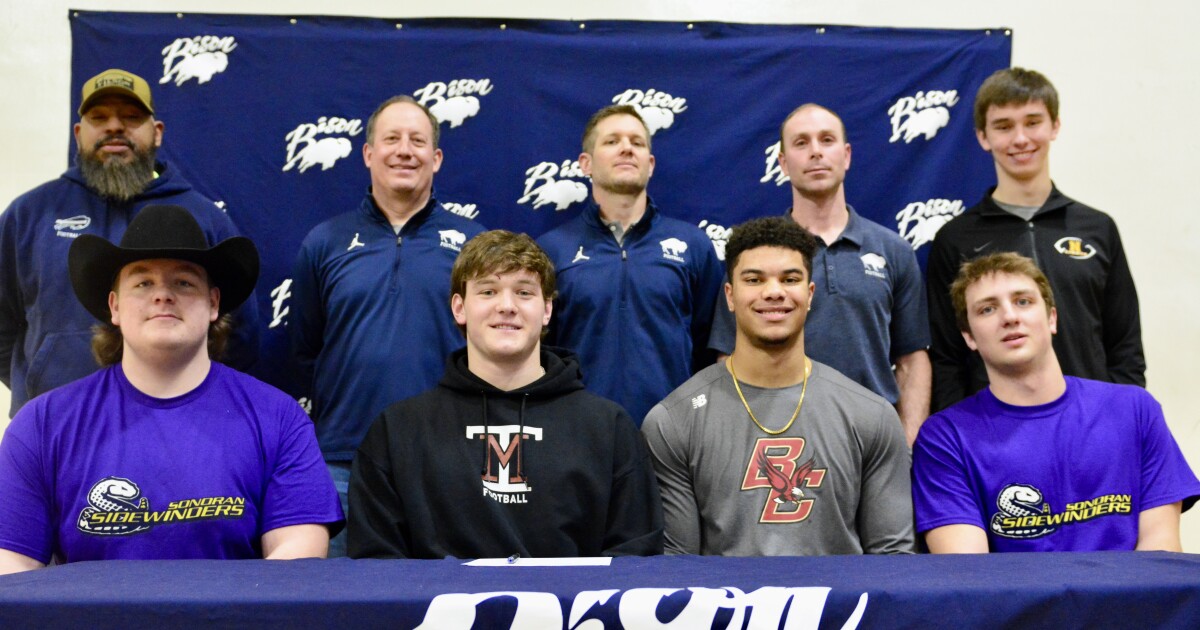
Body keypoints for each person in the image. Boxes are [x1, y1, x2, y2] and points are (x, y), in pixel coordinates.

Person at [0, 205, 342, 574]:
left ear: (213, 304)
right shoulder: (42, 424)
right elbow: (12, 566)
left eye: (183, 282)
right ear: (114, 307)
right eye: (143, 282)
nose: (162, 295)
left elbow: (299, 551)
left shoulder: (278, 417)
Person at [348, 230, 662, 558]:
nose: (507, 306)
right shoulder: (398, 430)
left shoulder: (608, 427)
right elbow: (377, 567)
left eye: (524, 293)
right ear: (459, 308)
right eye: (488, 291)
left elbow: (635, 561)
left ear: (547, 310)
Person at [643, 216, 914, 556]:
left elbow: (893, 563)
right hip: (730, 608)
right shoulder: (673, 421)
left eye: (790, 279)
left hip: (842, 609)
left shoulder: (871, 415)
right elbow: (677, 572)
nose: (773, 292)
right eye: (754, 279)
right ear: (729, 295)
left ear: (810, 293)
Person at [0, 68, 259, 417]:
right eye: (99, 117)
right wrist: (36, 383)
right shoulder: (30, 214)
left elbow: (238, 334)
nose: (114, 127)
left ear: (157, 133)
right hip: (52, 422)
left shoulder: (204, 217)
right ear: (78, 134)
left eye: (132, 117)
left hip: (175, 424)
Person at [289, 96, 484, 555]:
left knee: (447, 613)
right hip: (342, 460)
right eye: (391, 138)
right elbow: (304, 350)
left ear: (435, 159)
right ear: (368, 154)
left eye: (418, 141)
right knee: (337, 610)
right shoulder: (324, 242)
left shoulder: (474, 244)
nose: (404, 150)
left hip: (448, 456)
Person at [913, 253, 1198, 553]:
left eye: (1023, 301)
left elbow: (1160, 551)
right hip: (1015, 602)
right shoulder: (945, 438)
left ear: (1051, 318)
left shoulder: (1135, 411)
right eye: (987, 309)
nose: (1010, 317)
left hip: (1131, 600)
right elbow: (970, 578)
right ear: (969, 337)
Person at [708, 104, 930, 445]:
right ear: (782, 163)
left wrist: (908, 444)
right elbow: (728, 356)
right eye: (801, 143)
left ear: (846, 155)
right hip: (775, 436)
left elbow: (912, 358)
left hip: (871, 440)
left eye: (826, 140)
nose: (815, 152)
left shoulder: (893, 250)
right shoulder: (755, 252)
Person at [926, 67, 1144, 412]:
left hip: (1094, 421)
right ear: (983, 136)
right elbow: (947, 357)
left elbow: (1125, 345)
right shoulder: (955, 238)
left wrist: (1123, 419)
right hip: (996, 434)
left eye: (1032, 122)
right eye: (1003, 126)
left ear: (1054, 126)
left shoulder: (1097, 228)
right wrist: (962, 432)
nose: (1020, 139)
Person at [537, 105, 723, 425]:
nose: (626, 148)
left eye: (637, 142)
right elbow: (537, 353)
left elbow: (713, 351)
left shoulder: (693, 246)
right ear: (585, 164)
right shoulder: (552, 249)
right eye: (612, 141)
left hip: (673, 437)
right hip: (578, 431)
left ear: (650, 165)